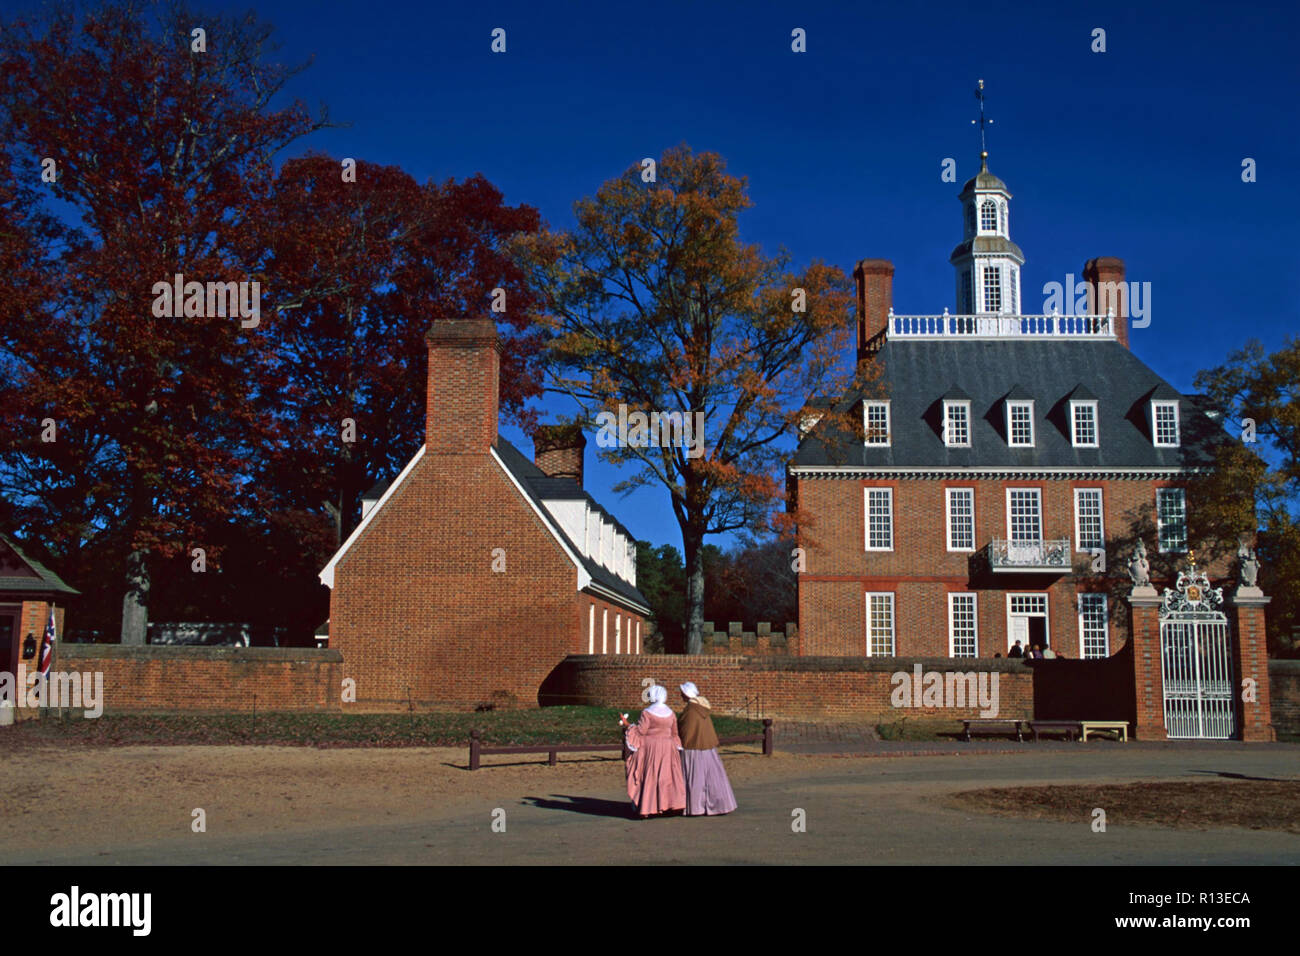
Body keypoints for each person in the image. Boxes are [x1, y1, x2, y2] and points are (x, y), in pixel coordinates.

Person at [620, 684, 686, 819]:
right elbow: (674, 733)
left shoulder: (647, 712)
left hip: (651, 747)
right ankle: (668, 805)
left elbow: (641, 731)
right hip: (668, 747)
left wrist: (627, 725)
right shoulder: (671, 713)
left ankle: (649, 806)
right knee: (667, 776)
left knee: (651, 775)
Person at [677, 682, 738, 817]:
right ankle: (718, 804)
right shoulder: (701, 708)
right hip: (707, 748)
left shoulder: (691, 711)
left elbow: (686, 730)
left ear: (686, 694)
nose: (680, 695)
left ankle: (696, 807)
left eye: (682, 693)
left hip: (694, 748)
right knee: (712, 777)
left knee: (696, 778)